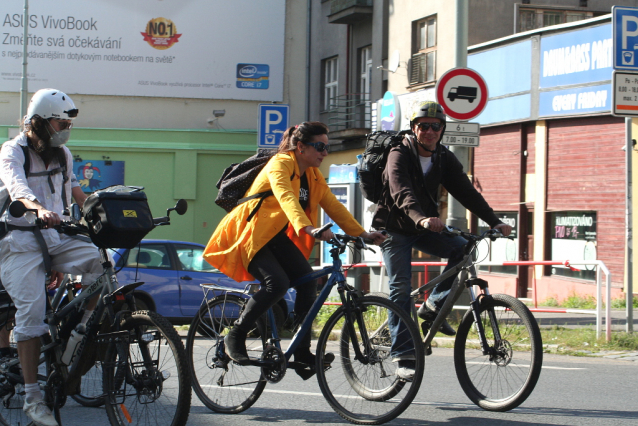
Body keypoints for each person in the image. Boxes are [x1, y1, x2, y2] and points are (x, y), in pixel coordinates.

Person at [204, 121, 386, 378]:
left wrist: (364, 234)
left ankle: (301, 352)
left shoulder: (312, 175)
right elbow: (285, 198)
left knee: (306, 282)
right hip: (251, 234)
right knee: (276, 283)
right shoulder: (281, 164)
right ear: (300, 147)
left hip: (275, 237)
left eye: (327, 147)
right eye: (320, 146)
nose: (324, 152)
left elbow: (334, 206)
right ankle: (235, 335)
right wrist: (309, 228)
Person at [372, 101, 512, 380]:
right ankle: (403, 355)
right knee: (400, 287)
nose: (430, 131)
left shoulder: (443, 157)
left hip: (424, 226)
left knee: (462, 249)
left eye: (436, 126)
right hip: (395, 228)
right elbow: (401, 190)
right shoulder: (398, 153)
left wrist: (493, 220)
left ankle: (433, 306)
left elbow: (466, 192)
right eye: (423, 126)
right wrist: (421, 217)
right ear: (414, 128)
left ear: (442, 130)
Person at [0, 89, 105, 426]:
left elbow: (75, 190)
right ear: (40, 122)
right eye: (61, 122)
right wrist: (40, 209)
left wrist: (102, 211)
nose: (66, 128)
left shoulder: (64, 154)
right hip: (19, 239)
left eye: (68, 123)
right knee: (31, 316)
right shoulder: (12, 151)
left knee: (102, 265)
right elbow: (18, 190)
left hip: (56, 236)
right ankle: (32, 399)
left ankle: (78, 335)